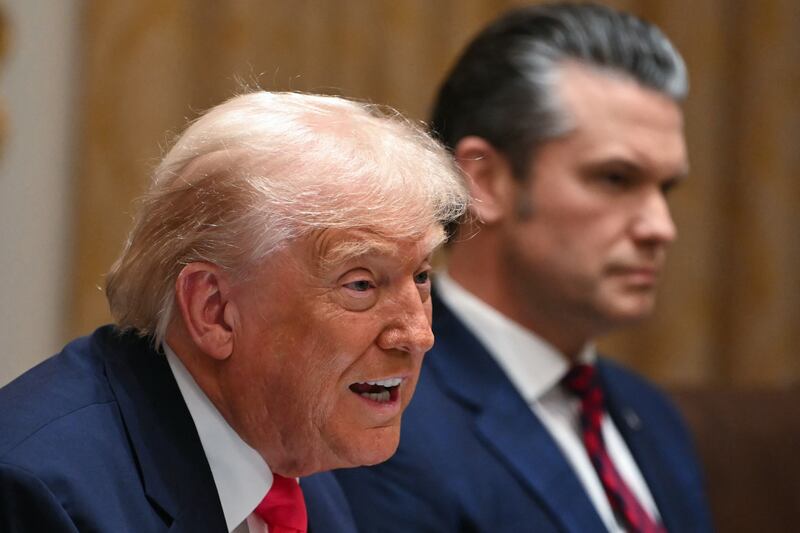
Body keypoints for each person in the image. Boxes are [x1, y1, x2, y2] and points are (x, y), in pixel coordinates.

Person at [0, 91, 468, 532]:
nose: (418, 334)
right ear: (215, 310)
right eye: (361, 284)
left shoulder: (299, 447)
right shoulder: (39, 495)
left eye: (421, 276)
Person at [336, 3, 714, 532]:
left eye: (665, 188)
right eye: (615, 179)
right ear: (485, 182)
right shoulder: (387, 416)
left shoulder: (653, 415)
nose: (660, 227)